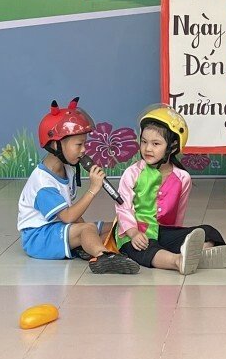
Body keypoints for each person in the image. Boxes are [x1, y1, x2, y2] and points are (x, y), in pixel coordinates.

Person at [18, 99, 139, 273]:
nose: (84, 150)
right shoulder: (43, 183)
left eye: (85, 144)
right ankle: (103, 257)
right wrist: (93, 189)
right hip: (38, 238)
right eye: (79, 145)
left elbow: (71, 214)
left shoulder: (67, 168)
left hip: (57, 228)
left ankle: (96, 247)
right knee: (88, 229)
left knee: (115, 226)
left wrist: (87, 231)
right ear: (56, 144)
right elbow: (67, 216)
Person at [114, 107, 226, 274]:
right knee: (145, 249)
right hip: (134, 232)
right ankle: (177, 261)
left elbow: (179, 213)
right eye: (144, 142)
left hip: (162, 231)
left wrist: (178, 237)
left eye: (155, 144)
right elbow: (123, 207)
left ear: (172, 147)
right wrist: (133, 233)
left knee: (208, 231)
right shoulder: (133, 173)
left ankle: (198, 254)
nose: (147, 148)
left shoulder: (182, 178)